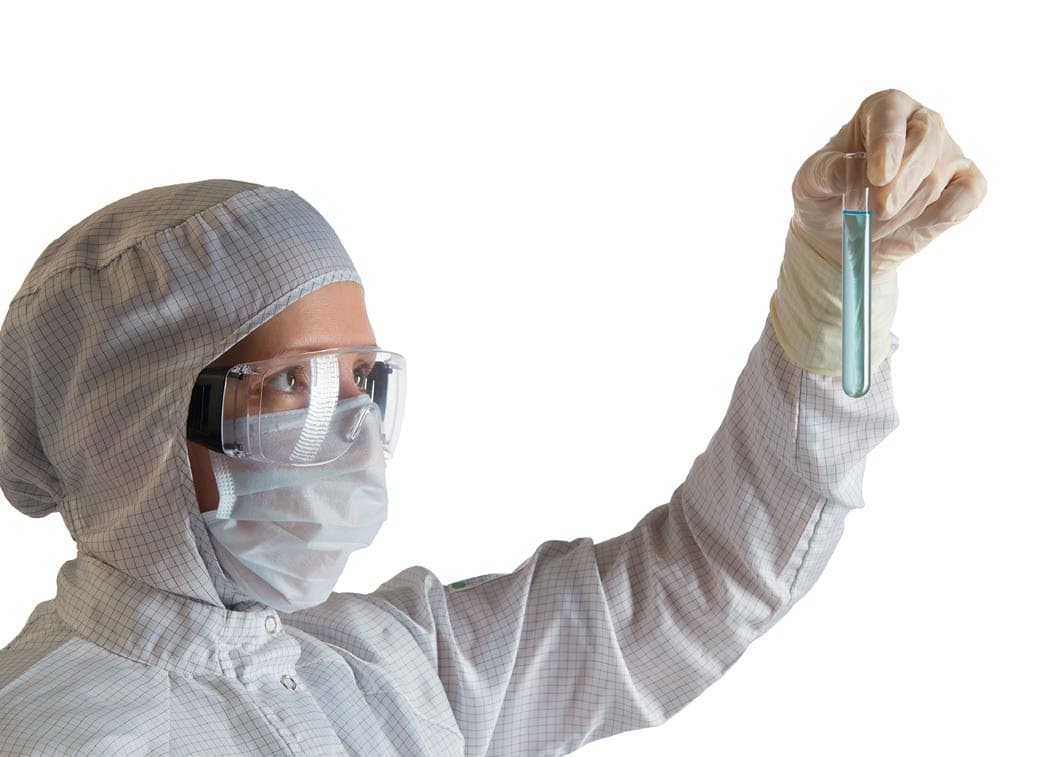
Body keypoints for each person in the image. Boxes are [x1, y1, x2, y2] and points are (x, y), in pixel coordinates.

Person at [0, 89, 985, 755]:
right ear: (132, 431)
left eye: (363, 384)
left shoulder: (389, 667)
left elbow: (703, 583)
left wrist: (836, 280)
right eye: (293, 389)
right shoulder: (44, 729)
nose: (353, 437)